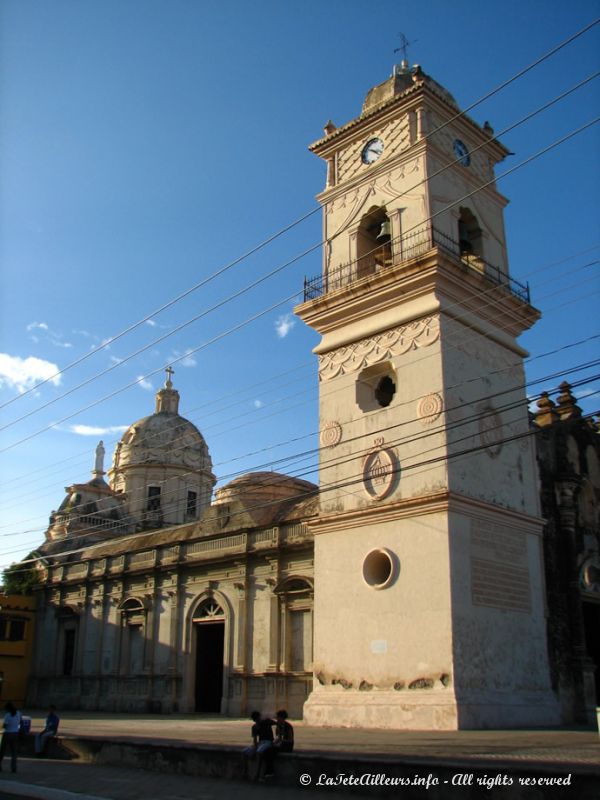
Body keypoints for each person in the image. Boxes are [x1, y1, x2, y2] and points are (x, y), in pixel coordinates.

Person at [242, 710, 275, 780]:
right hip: (261, 743)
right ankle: (245, 772)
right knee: (244, 752)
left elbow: (276, 723)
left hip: (268, 742)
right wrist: (255, 747)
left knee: (259, 752)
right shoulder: (255, 727)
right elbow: (255, 740)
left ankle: (258, 774)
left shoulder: (266, 722)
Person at [0, 702, 22, 773]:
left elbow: (5, 726)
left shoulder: (8, 715)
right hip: (15, 733)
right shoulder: (18, 713)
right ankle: (14, 768)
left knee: (2, 751)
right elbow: (20, 722)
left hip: (7, 734)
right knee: (14, 752)